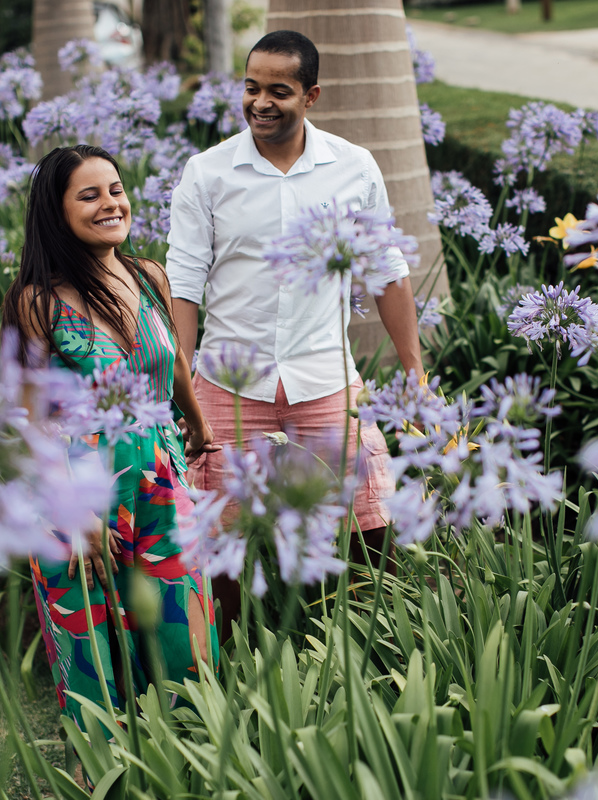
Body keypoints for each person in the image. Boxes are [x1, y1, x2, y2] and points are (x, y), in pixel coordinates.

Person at [166, 30, 424, 639]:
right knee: (222, 529)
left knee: (371, 519)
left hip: (324, 377)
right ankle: (223, 663)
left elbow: (385, 270)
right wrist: (180, 385)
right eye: (251, 88)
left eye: (278, 91)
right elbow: (184, 285)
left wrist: (414, 367)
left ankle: (373, 640)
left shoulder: (352, 166)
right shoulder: (207, 173)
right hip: (229, 382)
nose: (261, 102)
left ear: (311, 95)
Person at [3, 144, 219, 730]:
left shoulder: (148, 276)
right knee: (98, 657)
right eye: (90, 194)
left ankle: (199, 764)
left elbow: (170, 358)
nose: (110, 204)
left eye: (116, 190)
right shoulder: (37, 304)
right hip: (79, 494)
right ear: (57, 211)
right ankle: (110, 778)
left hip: (159, 482)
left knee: (187, 641)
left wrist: (195, 422)